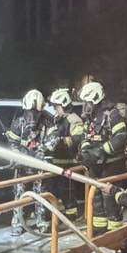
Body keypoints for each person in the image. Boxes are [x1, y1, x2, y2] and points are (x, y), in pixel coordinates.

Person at [79, 81, 127, 231]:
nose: (85, 106)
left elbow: (121, 137)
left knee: (109, 198)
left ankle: (114, 232)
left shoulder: (113, 114)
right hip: (95, 165)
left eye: (87, 102)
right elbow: (86, 137)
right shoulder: (90, 117)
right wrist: (85, 152)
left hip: (112, 164)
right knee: (96, 198)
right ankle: (98, 231)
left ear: (96, 99)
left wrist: (101, 151)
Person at [5, 89, 50, 234]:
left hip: (39, 165)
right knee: (19, 194)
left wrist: (42, 152)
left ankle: (41, 221)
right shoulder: (18, 123)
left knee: (41, 194)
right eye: (29, 111)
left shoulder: (48, 122)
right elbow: (12, 143)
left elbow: (53, 140)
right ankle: (17, 222)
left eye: (35, 112)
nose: (32, 116)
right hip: (22, 166)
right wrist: (17, 155)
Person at [42, 88, 84, 216]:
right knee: (54, 189)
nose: (55, 109)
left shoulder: (73, 119)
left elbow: (78, 138)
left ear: (64, 104)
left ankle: (72, 214)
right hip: (56, 161)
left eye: (57, 106)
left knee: (67, 190)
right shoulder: (57, 119)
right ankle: (54, 213)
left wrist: (61, 141)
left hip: (68, 161)